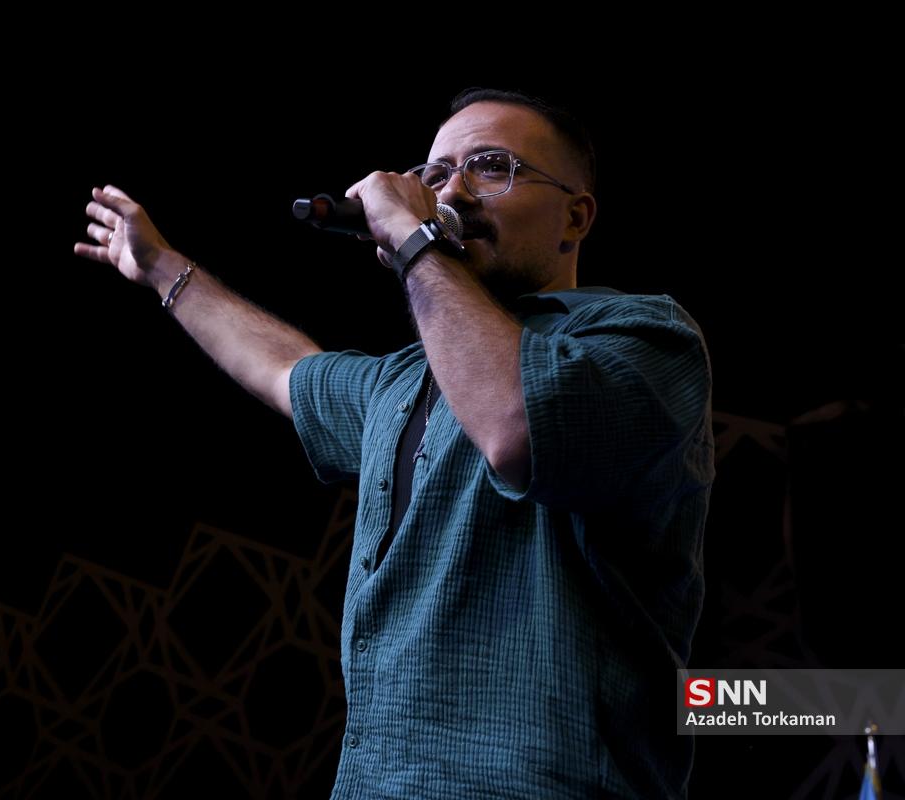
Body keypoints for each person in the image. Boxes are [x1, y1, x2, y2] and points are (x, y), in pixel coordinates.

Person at [74, 88, 714, 800]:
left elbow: (517, 426)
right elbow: (287, 370)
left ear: (576, 216)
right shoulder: (403, 382)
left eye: (491, 167)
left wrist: (414, 242)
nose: (452, 192)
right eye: (435, 174)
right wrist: (162, 267)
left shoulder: (640, 339)